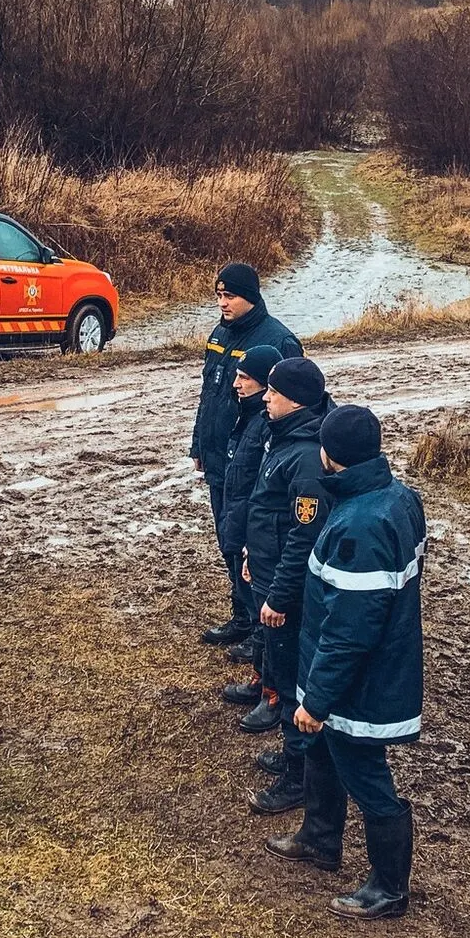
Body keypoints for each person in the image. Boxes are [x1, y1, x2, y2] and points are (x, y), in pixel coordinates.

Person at [265, 405, 425, 922]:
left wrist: (318, 698)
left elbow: (350, 630)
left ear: (331, 455)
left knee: (365, 772)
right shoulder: (398, 498)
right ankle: (319, 838)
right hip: (354, 666)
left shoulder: (360, 526)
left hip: (360, 681)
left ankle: (389, 887)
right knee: (323, 750)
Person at [190, 263, 302, 651]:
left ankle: (261, 629)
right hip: (221, 459)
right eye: (219, 296)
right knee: (228, 539)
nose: (222, 303)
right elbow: (209, 396)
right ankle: (242, 615)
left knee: (257, 546)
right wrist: (199, 445)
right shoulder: (219, 335)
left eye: (229, 296)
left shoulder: (279, 342)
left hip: (257, 465)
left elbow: (290, 409)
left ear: (250, 296)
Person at [242, 356, 333, 807]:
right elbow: (269, 511)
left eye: (273, 392)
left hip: (287, 592)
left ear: (294, 400)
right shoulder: (284, 438)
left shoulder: (305, 456)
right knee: (279, 667)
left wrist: (277, 594)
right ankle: (292, 757)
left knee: (293, 676)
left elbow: (302, 537)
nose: (266, 397)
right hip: (267, 571)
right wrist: (250, 557)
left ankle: (299, 779)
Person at [217, 344, 281, 707]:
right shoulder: (247, 415)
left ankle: (270, 690)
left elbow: (262, 490)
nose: (236, 384)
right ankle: (261, 677)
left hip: (251, 530)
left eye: (245, 378)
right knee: (253, 604)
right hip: (239, 521)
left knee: (264, 615)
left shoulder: (266, 425)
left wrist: (247, 541)